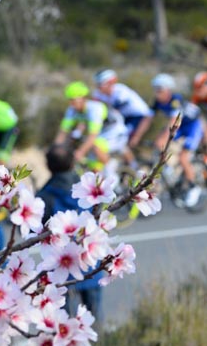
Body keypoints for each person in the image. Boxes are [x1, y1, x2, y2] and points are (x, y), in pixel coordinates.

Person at [36, 144, 104, 321]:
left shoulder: (45, 195)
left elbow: (39, 229)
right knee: (93, 316)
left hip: (61, 265)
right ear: (73, 162)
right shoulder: (89, 190)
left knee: (64, 319)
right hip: (89, 262)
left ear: (48, 166)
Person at [150, 73, 205, 207]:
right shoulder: (157, 102)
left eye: (160, 90)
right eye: (155, 90)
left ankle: (194, 187)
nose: (157, 94)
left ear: (168, 90)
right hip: (180, 126)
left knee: (183, 157)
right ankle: (169, 171)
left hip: (193, 126)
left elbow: (173, 121)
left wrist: (162, 138)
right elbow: (147, 118)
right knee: (159, 144)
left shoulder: (176, 100)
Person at [54, 81, 127, 173]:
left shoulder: (94, 109)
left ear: (82, 98)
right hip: (102, 132)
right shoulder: (71, 110)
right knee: (91, 160)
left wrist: (80, 152)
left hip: (115, 130)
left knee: (96, 145)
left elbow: (92, 136)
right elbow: (63, 132)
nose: (71, 103)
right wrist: (55, 150)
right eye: (70, 100)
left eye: (73, 100)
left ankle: (111, 171)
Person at [93, 69, 154, 167]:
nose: (99, 87)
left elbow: (114, 110)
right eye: (97, 84)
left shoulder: (121, 91)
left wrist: (137, 136)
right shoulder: (98, 93)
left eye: (101, 84)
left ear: (110, 83)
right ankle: (128, 165)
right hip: (123, 118)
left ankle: (135, 169)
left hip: (138, 118)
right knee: (119, 142)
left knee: (122, 140)